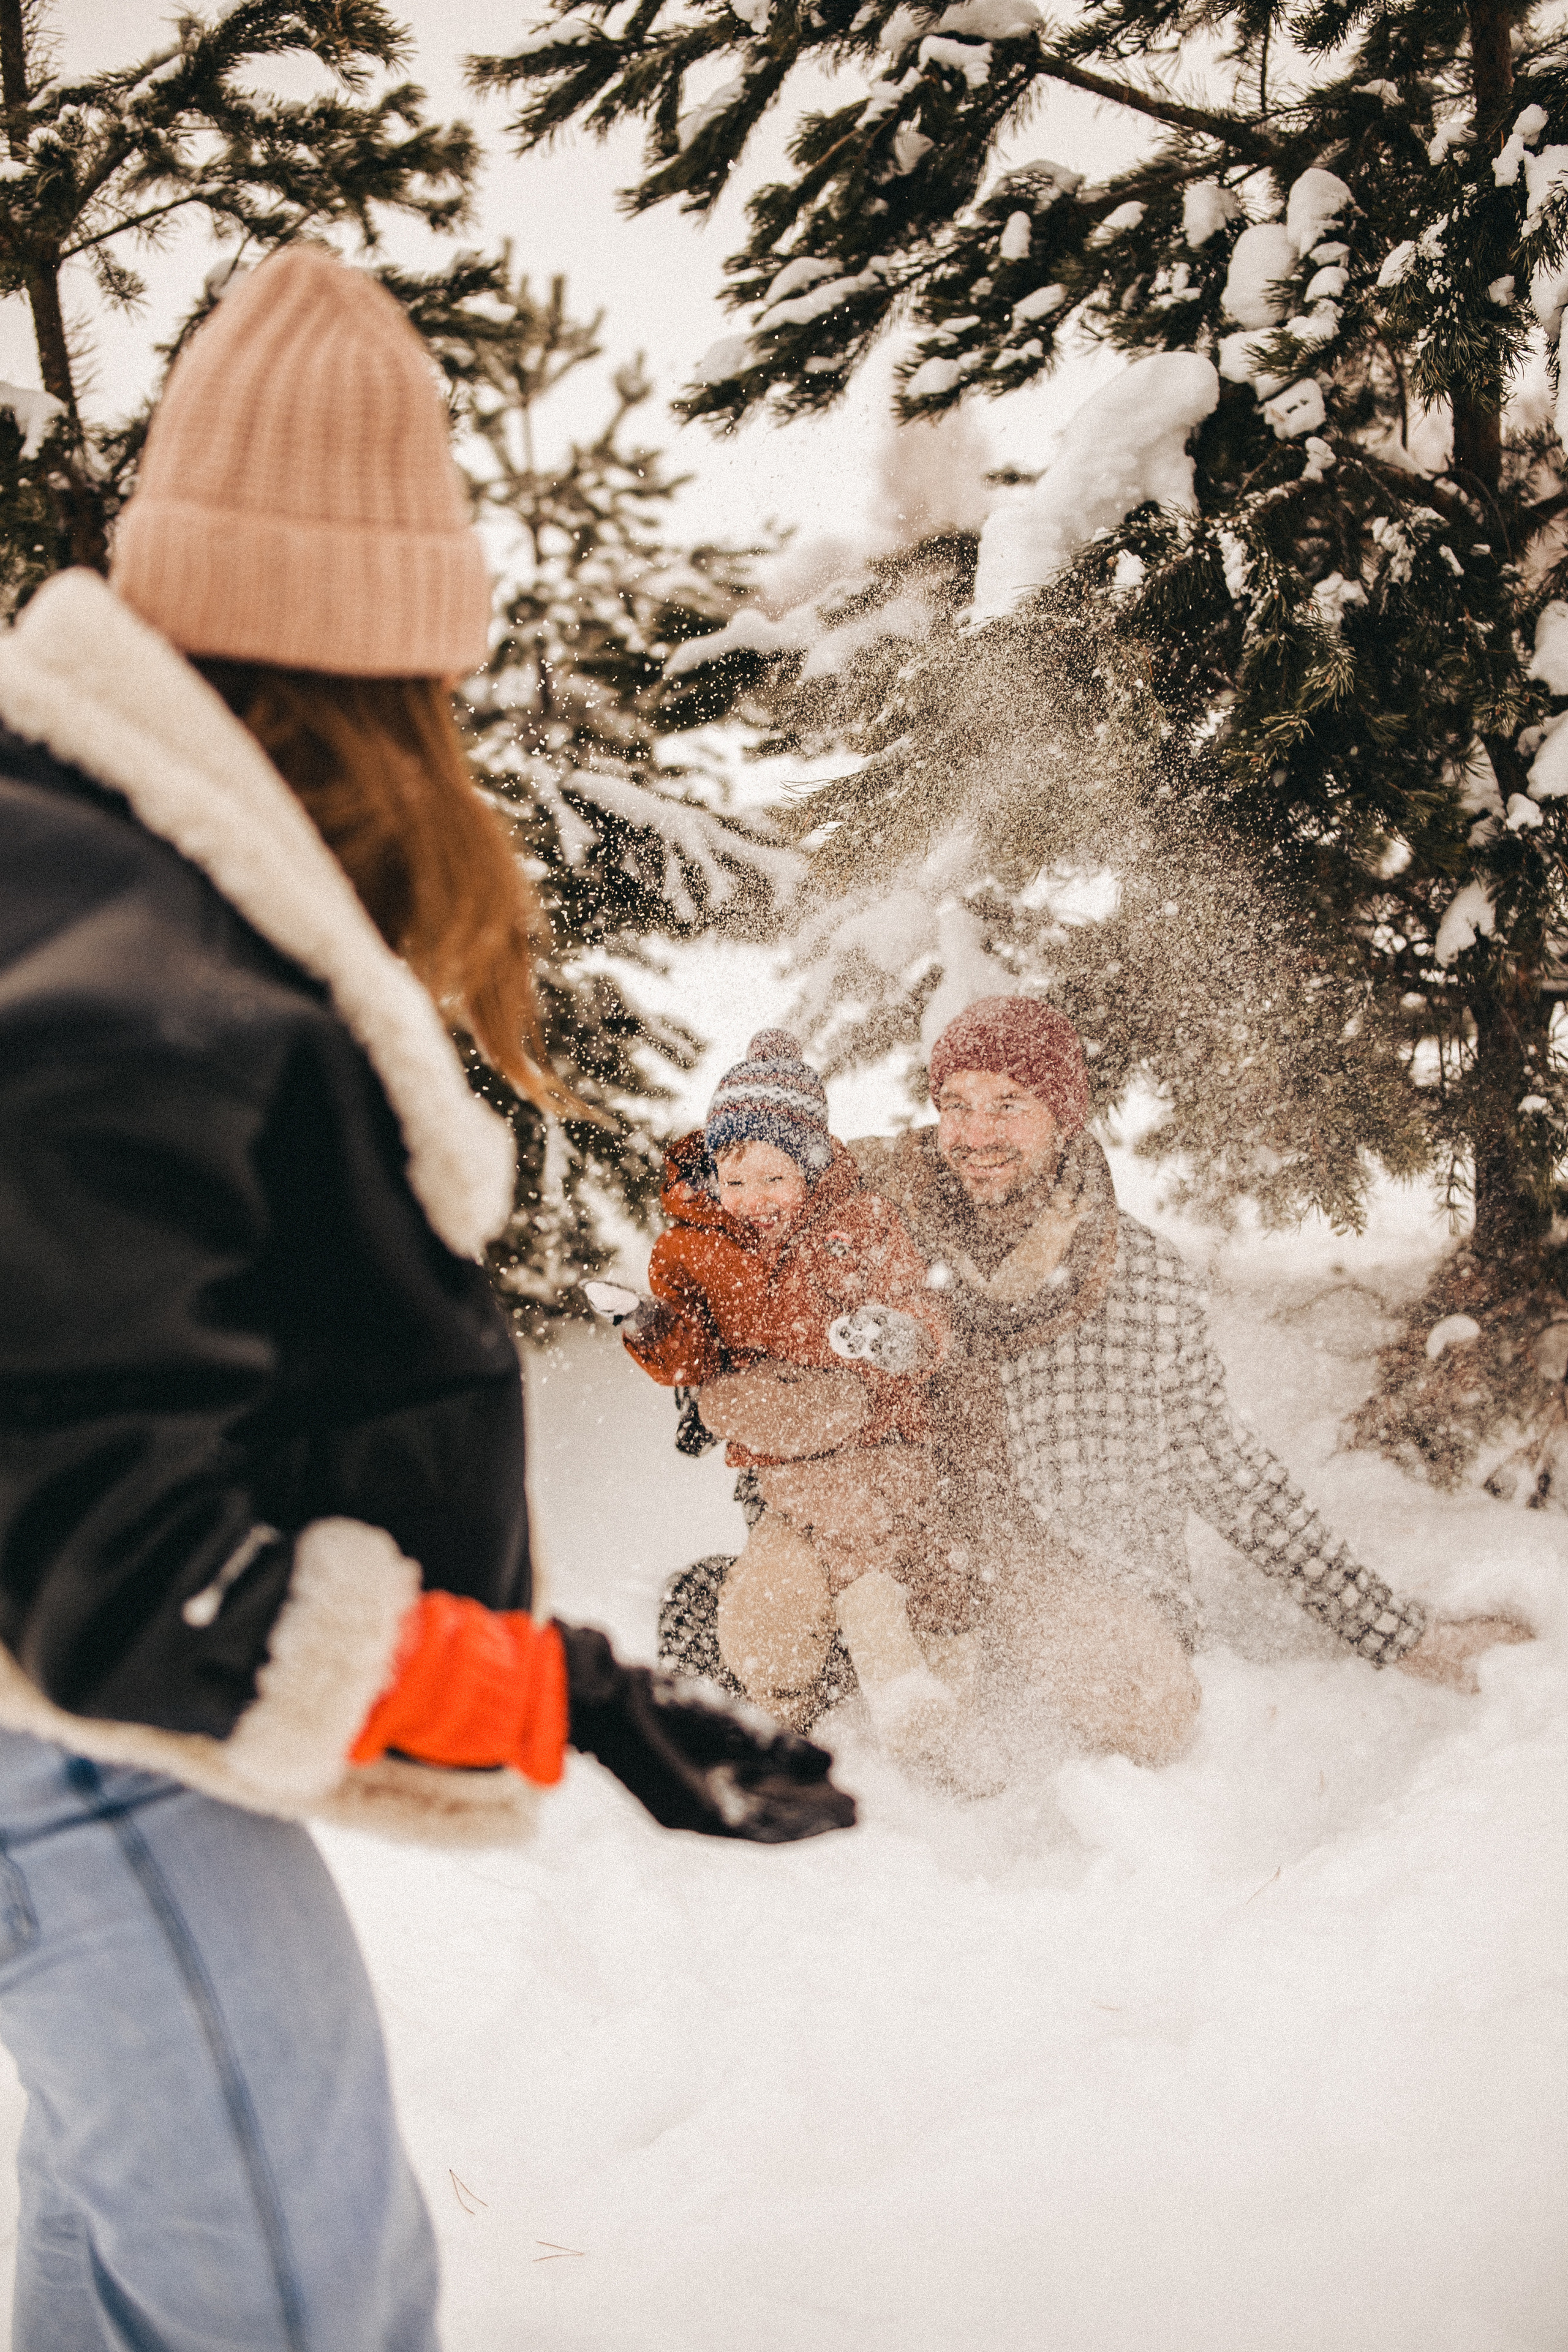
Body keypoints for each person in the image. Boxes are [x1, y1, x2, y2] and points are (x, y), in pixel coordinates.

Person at [0, 248, 852, 2352]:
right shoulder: (140, 994)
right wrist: (565, 1696)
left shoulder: (84, 885)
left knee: (121, 2280)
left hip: (64, 1728)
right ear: (377, 695)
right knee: (306, 2308)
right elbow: (111, 1566)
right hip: (60, 1749)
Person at [660, 995, 1530, 1766]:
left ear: (1064, 1115)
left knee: (1150, 1714)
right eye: (955, 1105)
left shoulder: (1138, 1276)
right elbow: (744, 1258)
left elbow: (1224, 1467)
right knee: (781, 1649)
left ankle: (934, 1642)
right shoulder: (866, 1210)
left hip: (1040, 1547)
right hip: (888, 1512)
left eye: (1010, 1104)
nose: (977, 1134)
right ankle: (777, 1620)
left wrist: (1397, 1634)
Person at [600, 1031, 975, 1762]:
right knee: (766, 1618)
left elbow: (919, 1310)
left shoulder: (859, 1223)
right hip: (785, 1466)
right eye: (736, 1183)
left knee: (915, 1569)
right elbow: (694, 1357)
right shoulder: (694, 1246)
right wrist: (646, 1325)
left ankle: (933, 1717)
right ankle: (786, 1721)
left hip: (884, 1443)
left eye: (775, 1180)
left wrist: (899, 1336)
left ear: (810, 1167)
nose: (754, 1202)